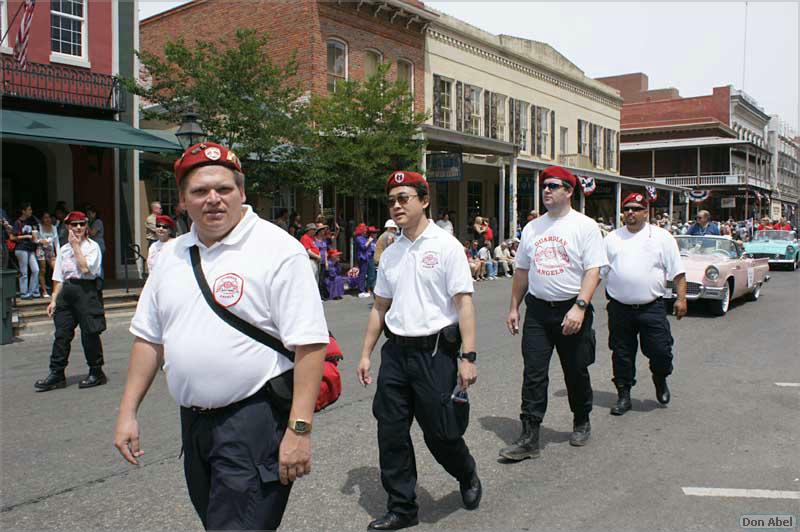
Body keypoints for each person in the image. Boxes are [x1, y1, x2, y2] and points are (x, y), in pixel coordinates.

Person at [113, 141, 329, 531]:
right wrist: (128, 412)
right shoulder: (170, 256)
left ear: (242, 192)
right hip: (194, 425)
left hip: (253, 420)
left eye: (224, 189)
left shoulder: (279, 250)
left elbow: (311, 345)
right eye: (199, 191)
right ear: (182, 201)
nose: (213, 199)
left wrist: (299, 430)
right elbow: (149, 339)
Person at [358, 170, 481, 530]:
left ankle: (466, 472)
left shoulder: (446, 246)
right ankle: (402, 507)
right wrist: (366, 353)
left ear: (424, 201)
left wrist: (468, 357)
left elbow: (464, 304)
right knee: (391, 433)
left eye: (404, 198)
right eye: (392, 200)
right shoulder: (392, 253)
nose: (396, 205)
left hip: (435, 353)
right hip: (396, 354)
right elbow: (380, 307)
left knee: (441, 432)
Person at [500, 166, 607, 461]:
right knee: (533, 374)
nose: (547, 190)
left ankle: (581, 419)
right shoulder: (533, 228)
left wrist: (580, 307)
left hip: (571, 309)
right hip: (537, 310)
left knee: (576, 370)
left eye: (554, 186)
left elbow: (593, 270)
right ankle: (529, 436)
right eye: (544, 186)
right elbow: (522, 270)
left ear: (569, 191)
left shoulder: (584, 226)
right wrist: (514, 307)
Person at [603, 193, 687, 416]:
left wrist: (681, 298)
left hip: (652, 307)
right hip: (620, 308)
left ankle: (660, 378)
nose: (631, 212)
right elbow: (598, 271)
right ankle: (624, 395)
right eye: (627, 208)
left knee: (660, 351)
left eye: (636, 208)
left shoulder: (662, 237)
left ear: (646, 212)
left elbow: (677, 271)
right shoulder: (612, 238)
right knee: (621, 353)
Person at [34, 211, 107, 391]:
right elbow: (58, 276)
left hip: (86, 290)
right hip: (67, 292)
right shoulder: (64, 250)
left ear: (86, 226)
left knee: (90, 332)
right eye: (74, 225)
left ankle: (96, 371)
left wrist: (75, 246)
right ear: (68, 227)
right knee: (62, 334)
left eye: (81, 224)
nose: (78, 228)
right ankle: (57, 373)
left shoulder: (92, 247)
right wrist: (53, 300)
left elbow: (85, 268)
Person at [12, 203, 41, 299]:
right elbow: (12, 237)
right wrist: (27, 236)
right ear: (23, 211)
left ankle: (31, 291)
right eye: (29, 209)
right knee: (24, 272)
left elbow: (36, 233)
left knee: (36, 270)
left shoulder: (32, 221)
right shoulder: (18, 222)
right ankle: (23, 293)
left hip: (31, 248)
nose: (31, 211)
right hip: (21, 248)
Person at [36, 211, 60, 298]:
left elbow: (56, 241)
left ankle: (55, 290)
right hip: (41, 248)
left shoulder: (54, 228)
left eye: (49, 217)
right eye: (45, 217)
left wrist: (59, 254)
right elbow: (35, 239)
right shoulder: (39, 227)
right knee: (43, 269)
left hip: (50, 249)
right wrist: (40, 241)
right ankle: (44, 291)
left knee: (56, 268)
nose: (47, 219)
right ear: (42, 219)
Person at [353, 223, 371, 298]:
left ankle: (362, 289)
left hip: (365, 257)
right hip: (362, 257)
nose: (366, 230)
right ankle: (361, 291)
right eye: (364, 229)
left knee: (363, 274)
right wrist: (369, 241)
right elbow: (363, 247)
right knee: (362, 274)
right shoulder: (359, 238)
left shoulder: (363, 237)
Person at [366, 226, 379, 294]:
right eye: (374, 233)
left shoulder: (377, 241)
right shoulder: (369, 240)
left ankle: (374, 287)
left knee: (376, 274)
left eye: (376, 233)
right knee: (371, 274)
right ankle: (368, 288)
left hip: (376, 258)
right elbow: (366, 250)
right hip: (370, 258)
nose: (375, 234)